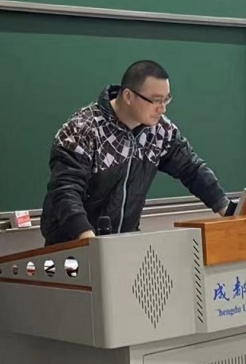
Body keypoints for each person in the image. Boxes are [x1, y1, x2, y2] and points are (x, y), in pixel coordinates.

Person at [41, 60, 234, 246]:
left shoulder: (160, 131)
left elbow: (191, 169)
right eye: (155, 100)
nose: (162, 108)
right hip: (72, 247)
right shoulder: (83, 130)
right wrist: (88, 239)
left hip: (126, 243)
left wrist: (227, 208)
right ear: (128, 96)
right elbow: (65, 190)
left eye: (166, 99)